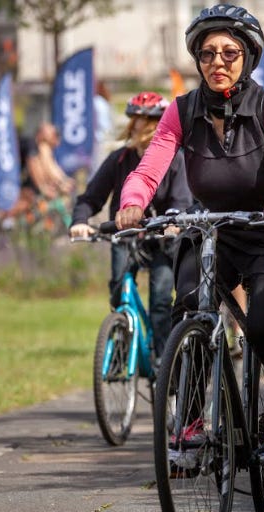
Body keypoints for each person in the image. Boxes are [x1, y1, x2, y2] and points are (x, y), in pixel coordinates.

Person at [114, 4, 264, 460]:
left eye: (229, 53)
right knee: (190, 310)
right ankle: (190, 423)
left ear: (247, 57)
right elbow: (148, 171)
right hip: (215, 229)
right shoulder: (181, 111)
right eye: (207, 53)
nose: (218, 62)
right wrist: (132, 203)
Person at [70, 92, 193, 357]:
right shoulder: (119, 159)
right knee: (119, 291)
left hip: (162, 241)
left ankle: (163, 363)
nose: (140, 126)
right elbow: (91, 197)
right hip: (125, 236)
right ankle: (122, 344)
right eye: (136, 119)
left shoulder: (175, 159)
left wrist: (172, 223)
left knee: (161, 302)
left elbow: (181, 200)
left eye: (148, 120)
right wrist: (80, 221)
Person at [2, 122, 75, 228]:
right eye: (51, 134)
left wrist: (61, 181)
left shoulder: (41, 146)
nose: (53, 137)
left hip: (18, 174)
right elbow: (33, 166)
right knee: (28, 196)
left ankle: (13, 223)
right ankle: (5, 221)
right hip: (10, 175)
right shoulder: (31, 143)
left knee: (31, 198)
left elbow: (48, 166)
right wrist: (43, 187)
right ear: (42, 133)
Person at [91, 80, 113, 177]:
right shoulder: (103, 101)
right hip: (104, 138)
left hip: (99, 139)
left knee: (96, 169)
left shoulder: (96, 102)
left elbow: (103, 124)